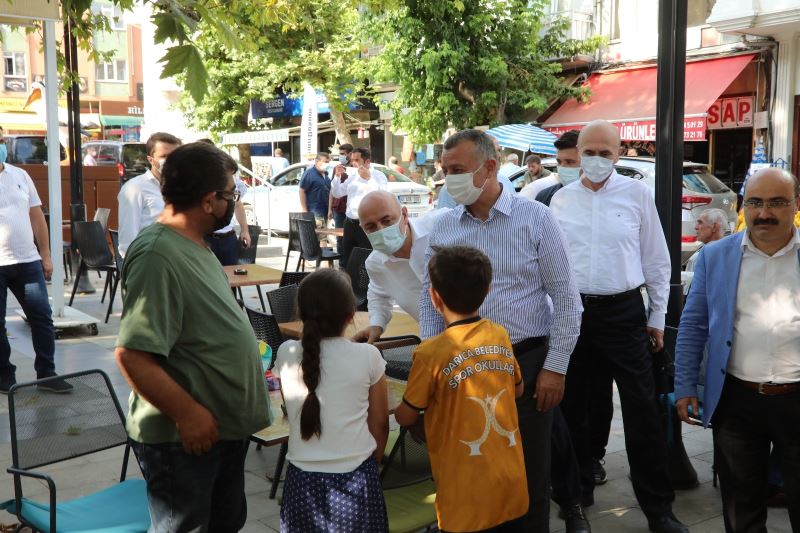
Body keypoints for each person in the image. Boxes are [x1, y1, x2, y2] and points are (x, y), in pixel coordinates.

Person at [420, 129, 583, 532]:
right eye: (445, 170)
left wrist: (555, 367)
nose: (448, 178)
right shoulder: (442, 227)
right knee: (474, 470)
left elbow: (566, 298)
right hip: (462, 369)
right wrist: (432, 355)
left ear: (490, 167)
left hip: (524, 368)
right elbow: (429, 299)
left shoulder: (536, 219)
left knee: (528, 473)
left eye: (457, 170)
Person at [115, 142, 271, 531]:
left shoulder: (196, 245)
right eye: (230, 195)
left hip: (220, 433)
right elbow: (133, 355)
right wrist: (188, 414)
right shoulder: (157, 255)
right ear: (208, 201)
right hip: (184, 441)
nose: (232, 203)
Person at [549, 120, 687, 533]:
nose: (594, 160)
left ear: (619, 153)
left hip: (624, 313)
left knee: (642, 411)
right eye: (588, 152)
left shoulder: (637, 194)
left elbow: (658, 263)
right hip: (572, 313)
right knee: (572, 407)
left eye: (604, 153)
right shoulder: (560, 199)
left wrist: (657, 318)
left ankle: (658, 508)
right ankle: (575, 498)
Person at [675, 167, 800, 532]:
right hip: (738, 400)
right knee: (741, 509)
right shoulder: (717, 257)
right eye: (756, 202)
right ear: (743, 206)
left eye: (777, 202)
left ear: (794, 205)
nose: (765, 213)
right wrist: (684, 385)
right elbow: (694, 326)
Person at [396, 245, 528, 532]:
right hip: (510, 481)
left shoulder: (430, 352)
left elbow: (406, 416)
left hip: (463, 491)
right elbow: (517, 391)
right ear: (488, 290)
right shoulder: (500, 334)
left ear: (434, 297)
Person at [275, 269, 389, 532]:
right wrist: (373, 466)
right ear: (351, 316)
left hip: (301, 481)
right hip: (356, 477)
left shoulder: (285, 352)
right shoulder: (368, 356)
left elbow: (292, 406)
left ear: (300, 313)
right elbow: (381, 423)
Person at [0, 126, 71, 394]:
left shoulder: (20, 175)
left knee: (42, 317)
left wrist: (46, 254)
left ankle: (47, 372)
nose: (1, 145)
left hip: (28, 262)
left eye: (1, 140)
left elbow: (36, 215)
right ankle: (4, 374)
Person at [352, 191, 446, 344]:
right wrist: (376, 325)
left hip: (487, 331)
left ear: (404, 214)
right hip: (436, 345)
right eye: (371, 227)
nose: (381, 230)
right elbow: (378, 295)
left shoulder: (442, 224)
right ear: (363, 229)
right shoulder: (376, 264)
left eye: (387, 220)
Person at [117, 132, 181, 257]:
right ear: (150, 159)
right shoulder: (134, 188)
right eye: (164, 156)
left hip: (178, 260)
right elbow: (127, 238)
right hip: (150, 261)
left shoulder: (183, 186)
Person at [330, 147, 388, 267]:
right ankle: (349, 284)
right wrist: (337, 177)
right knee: (348, 259)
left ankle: (365, 285)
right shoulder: (352, 176)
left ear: (367, 161)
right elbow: (337, 193)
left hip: (368, 224)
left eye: (357, 160)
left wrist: (369, 180)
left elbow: (383, 195)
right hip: (350, 222)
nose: (353, 163)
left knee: (367, 260)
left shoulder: (378, 175)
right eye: (352, 160)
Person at [198, 139, 250, 266]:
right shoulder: (197, 184)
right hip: (206, 238)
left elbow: (237, 204)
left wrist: (244, 230)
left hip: (228, 238)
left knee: (229, 281)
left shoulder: (231, 181)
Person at [520, 130, 581, 205]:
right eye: (559, 162)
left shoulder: (598, 199)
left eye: (570, 162)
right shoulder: (544, 198)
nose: (562, 168)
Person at [329, 143, 354, 264]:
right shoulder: (337, 168)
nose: (341, 156)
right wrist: (330, 209)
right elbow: (332, 190)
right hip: (338, 209)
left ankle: (350, 263)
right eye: (340, 154)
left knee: (351, 238)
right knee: (339, 238)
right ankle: (342, 264)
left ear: (350, 154)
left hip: (351, 210)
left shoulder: (354, 169)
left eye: (343, 154)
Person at [299, 152, 331, 228]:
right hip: (315, 211)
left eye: (328, 162)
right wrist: (304, 210)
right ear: (317, 161)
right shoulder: (309, 173)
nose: (327, 164)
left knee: (324, 235)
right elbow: (302, 191)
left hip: (326, 211)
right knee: (320, 236)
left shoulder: (326, 174)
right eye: (325, 162)